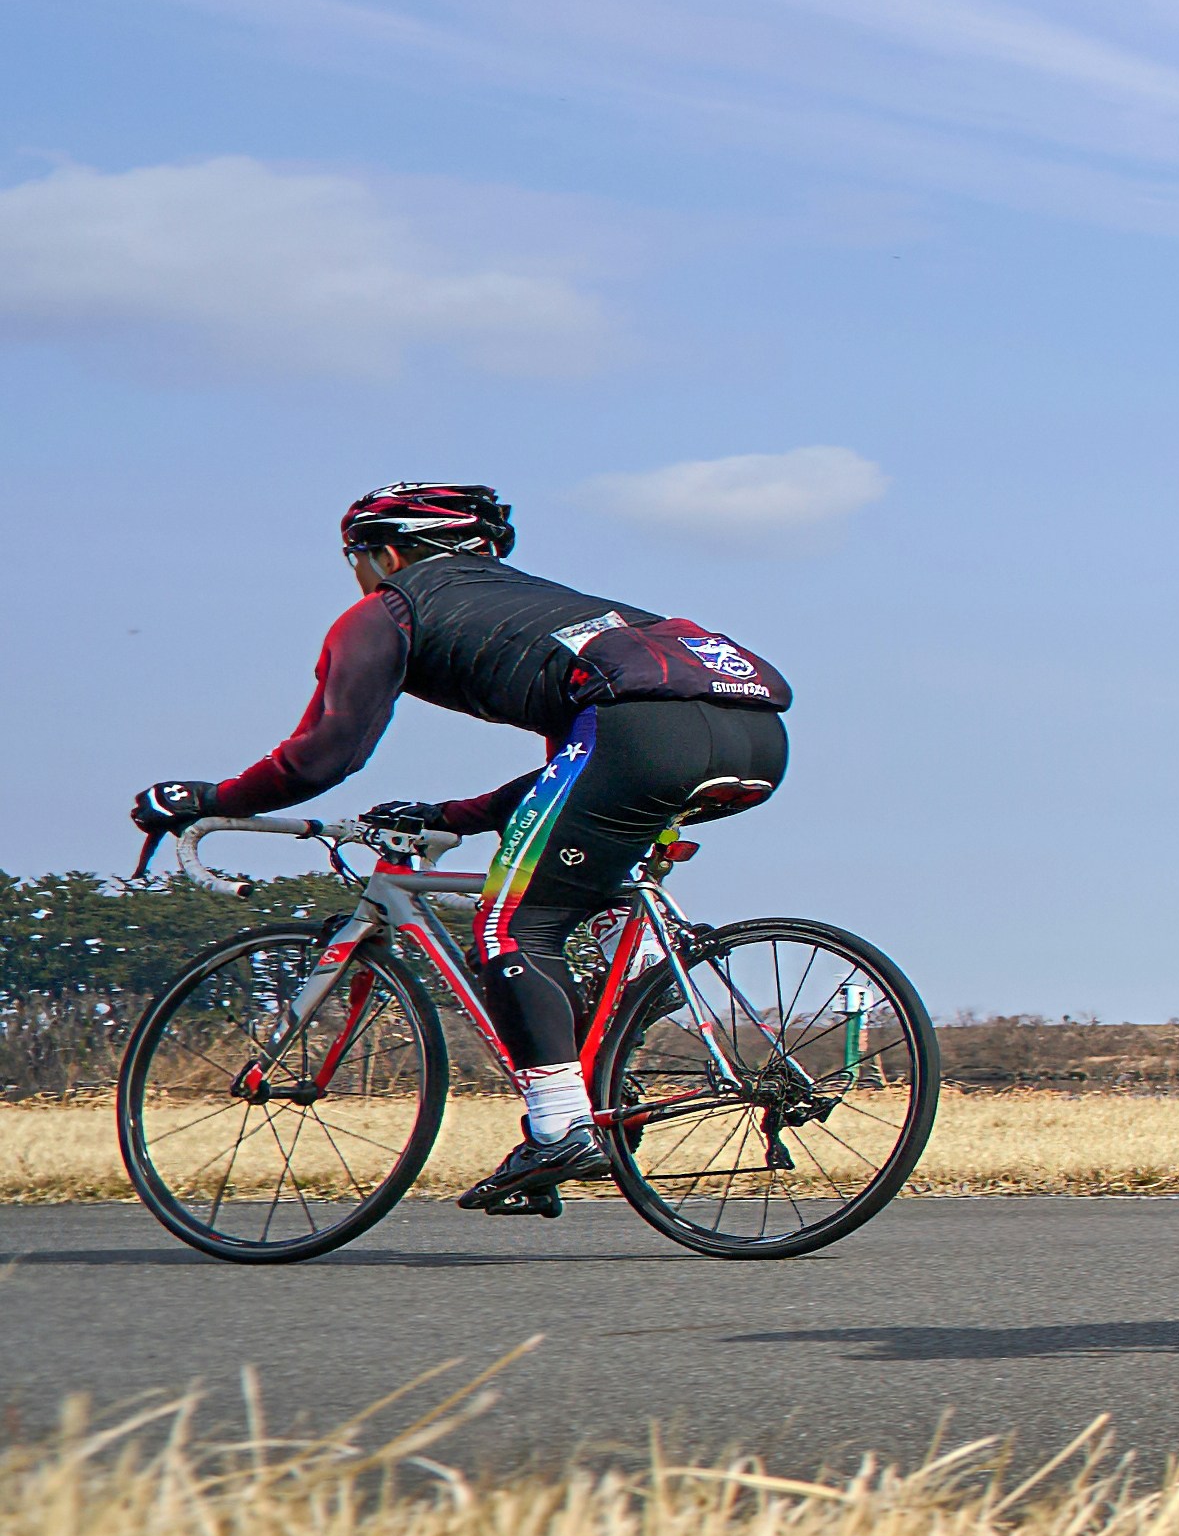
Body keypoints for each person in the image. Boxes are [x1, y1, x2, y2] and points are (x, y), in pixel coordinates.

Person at [130, 480, 795, 1217]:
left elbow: (325, 756)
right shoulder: (545, 607)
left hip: (640, 734)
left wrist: (212, 798)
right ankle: (625, 977)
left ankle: (558, 1126)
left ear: (382, 553)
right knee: (570, 883)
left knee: (510, 927)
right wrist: (453, 815)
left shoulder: (385, 611)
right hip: (757, 734)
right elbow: (571, 769)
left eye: (353, 557)